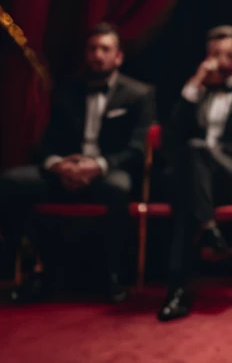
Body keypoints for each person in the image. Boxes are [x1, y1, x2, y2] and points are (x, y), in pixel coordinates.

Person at [0, 21, 155, 304]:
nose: (98, 55)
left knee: (118, 189)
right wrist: (57, 165)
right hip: (65, 172)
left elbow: (136, 149)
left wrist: (96, 166)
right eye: (93, 48)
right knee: (11, 182)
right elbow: (44, 144)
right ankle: (24, 272)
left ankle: (113, 277)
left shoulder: (139, 94)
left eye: (105, 49)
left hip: (107, 172)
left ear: (118, 56)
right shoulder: (67, 90)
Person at [157, 25, 232, 321]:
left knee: (197, 153)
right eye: (214, 55)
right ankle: (204, 239)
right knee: (189, 193)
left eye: (227, 55)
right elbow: (171, 137)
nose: (220, 61)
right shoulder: (195, 93)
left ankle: (179, 287)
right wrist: (196, 84)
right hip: (195, 182)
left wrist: (214, 153)